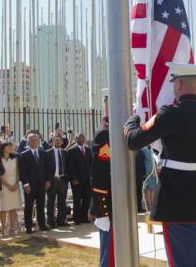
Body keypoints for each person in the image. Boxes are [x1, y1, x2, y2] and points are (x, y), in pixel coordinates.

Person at [124, 62, 196, 266]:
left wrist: (132, 121)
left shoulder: (171, 113)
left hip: (176, 199)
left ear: (179, 85)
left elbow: (133, 140)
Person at [90, 94, 115, 267]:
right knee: (110, 254)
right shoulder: (105, 133)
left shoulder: (111, 129)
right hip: (110, 204)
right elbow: (99, 174)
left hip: (116, 200)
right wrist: (102, 211)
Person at [19, 133, 50, 234]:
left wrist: (48, 181)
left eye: (35, 140)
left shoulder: (43, 153)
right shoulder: (24, 154)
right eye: (32, 140)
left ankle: (42, 224)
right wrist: (25, 184)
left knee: (41, 205)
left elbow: (47, 168)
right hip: (30, 185)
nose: (34, 142)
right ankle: (28, 227)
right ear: (28, 142)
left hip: (41, 184)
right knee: (29, 207)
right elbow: (22, 171)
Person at [67, 133, 92, 225]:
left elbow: (90, 165)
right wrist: (73, 178)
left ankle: (84, 217)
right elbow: (71, 166)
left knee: (87, 199)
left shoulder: (88, 150)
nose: (81, 139)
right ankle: (76, 218)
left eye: (82, 138)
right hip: (77, 180)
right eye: (79, 138)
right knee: (77, 200)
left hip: (87, 179)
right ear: (76, 139)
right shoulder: (72, 150)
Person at [0, 141, 22, 236]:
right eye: (7, 146)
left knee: (13, 207)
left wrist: (16, 183)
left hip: (14, 183)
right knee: (4, 207)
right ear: (3, 148)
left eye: (10, 146)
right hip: (4, 184)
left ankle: (12, 227)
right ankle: (4, 228)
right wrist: (8, 185)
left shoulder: (14, 158)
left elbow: (17, 171)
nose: (9, 148)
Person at [46, 135, 70, 228]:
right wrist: (47, 180)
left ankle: (61, 220)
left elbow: (67, 165)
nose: (58, 142)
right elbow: (46, 168)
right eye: (56, 140)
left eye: (60, 140)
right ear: (53, 142)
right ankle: (51, 221)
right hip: (52, 180)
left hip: (63, 180)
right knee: (51, 201)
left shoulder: (64, 152)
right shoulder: (48, 153)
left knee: (62, 201)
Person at [142, 146, 157, 210]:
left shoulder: (152, 150)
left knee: (153, 188)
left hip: (154, 170)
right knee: (148, 188)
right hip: (148, 170)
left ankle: (153, 203)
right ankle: (149, 204)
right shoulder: (143, 150)